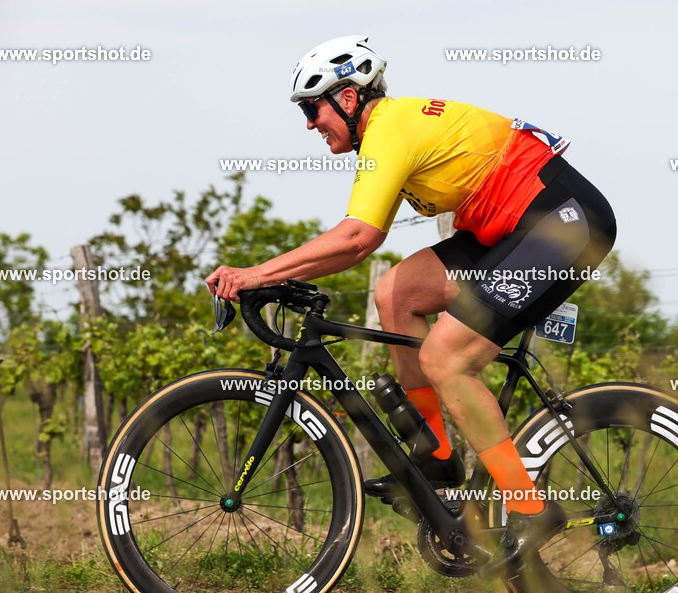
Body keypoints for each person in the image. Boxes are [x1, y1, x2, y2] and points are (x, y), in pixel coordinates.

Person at [206, 35, 616, 563]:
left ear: (347, 99)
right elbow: (366, 239)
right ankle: (436, 455)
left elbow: (356, 238)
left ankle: (528, 505)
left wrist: (254, 274)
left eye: (312, 110)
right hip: (507, 231)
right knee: (394, 292)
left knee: (446, 358)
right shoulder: (385, 134)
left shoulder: (389, 129)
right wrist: (270, 277)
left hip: (561, 220)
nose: (309, 125)